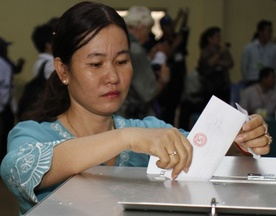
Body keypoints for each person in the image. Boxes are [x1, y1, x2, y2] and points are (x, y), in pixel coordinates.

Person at [0, 2, 271, 215]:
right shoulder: (32, 135)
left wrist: (240, 142)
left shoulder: (150, 132)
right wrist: (125, 137)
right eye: (96, 64)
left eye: (121, 61)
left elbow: (203, 153)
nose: (113, 77)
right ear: (63, 70)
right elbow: (19, 171)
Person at [116, 5, 170, 119]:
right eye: (148, 30)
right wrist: (163, 80)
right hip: (134, 115)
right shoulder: (136, 51)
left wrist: (148, 56)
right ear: (141, 27)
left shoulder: (120, 43)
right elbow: (148, 93)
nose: (149, 37)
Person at [157, 8, 189, 125]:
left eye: (170, 25)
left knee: (181, 109)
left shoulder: (177, 37)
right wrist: (174, 45)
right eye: (166, 26)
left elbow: (183, 30)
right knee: (168, 112)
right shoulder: (161, 41)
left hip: (180, 78)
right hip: (168, 84)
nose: (169, 28)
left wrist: (184, 17)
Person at [0, 37, 25, 163]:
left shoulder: (4, 61)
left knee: (6, 133)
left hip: (6, 105)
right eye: (5, 47)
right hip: (2, 105)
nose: (7, 49)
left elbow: (14, 70)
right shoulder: (1, 62)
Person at [197, 26, 234, 104]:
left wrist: (219, 62)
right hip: (210, 87)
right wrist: (219, 54)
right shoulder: (205, 51)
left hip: (224, 86)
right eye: (217, 36)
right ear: (210, 39)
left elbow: (230, 63)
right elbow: (208, 63)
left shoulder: (222, 49)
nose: (219, 39)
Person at [242, 20, 276, 87]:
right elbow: (244, 66)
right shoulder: (249, 48)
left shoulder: (274, 48)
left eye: (271, 31)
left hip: (269, 81)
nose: (270, 34)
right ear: (260, 32)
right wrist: (246, 80)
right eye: (268, 31)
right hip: (253, 79)